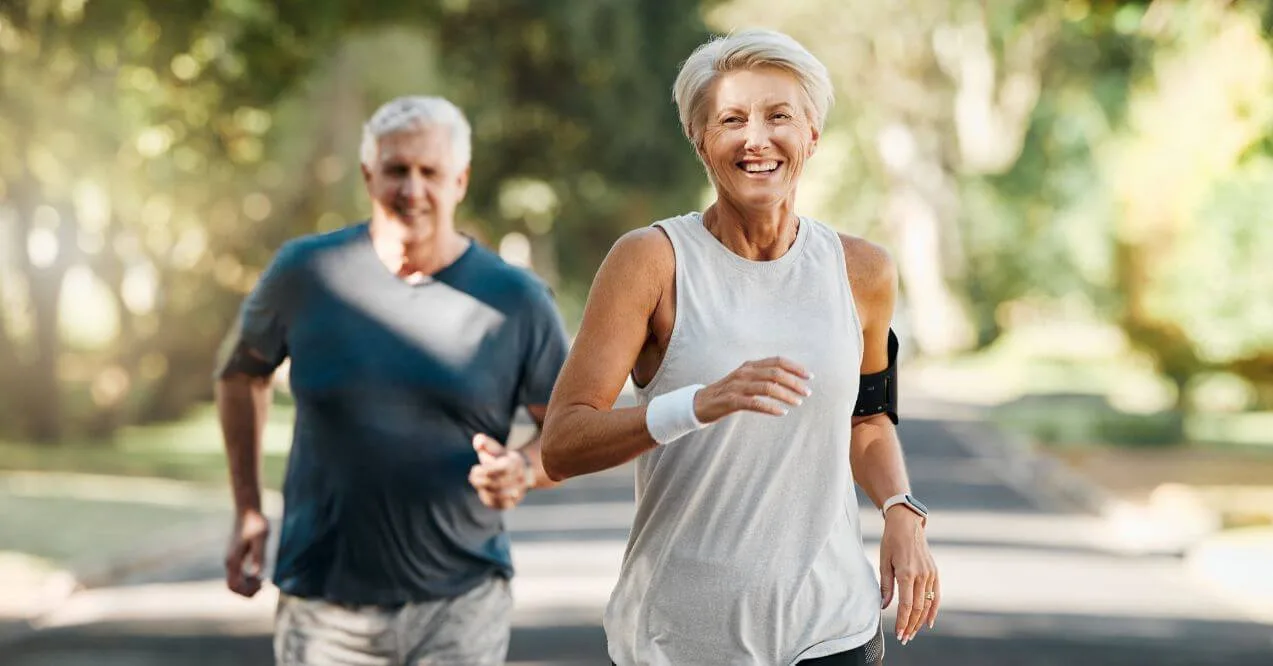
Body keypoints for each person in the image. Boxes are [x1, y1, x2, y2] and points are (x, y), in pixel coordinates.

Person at [540, 29, 939, 665]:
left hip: (832, 631)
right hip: (680, 639)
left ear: (812, 135)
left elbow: (868, 418)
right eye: (731, 120)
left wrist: (899, 506)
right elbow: (562, 443)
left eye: (779, 116)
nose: (757, 138)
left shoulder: (863, 271)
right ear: (700, 141)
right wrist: (698, 404)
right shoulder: (651, 262)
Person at [213, 95, 570, 666]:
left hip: (462, 601)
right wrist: (248, 508)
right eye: (396, 170)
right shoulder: (306, 274)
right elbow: (241, 376)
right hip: (324, 606)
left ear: (460, 179)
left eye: (429, 172)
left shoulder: (518, 301)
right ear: (367, 175)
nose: (412, 189)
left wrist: (525, 468)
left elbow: (571, 432)